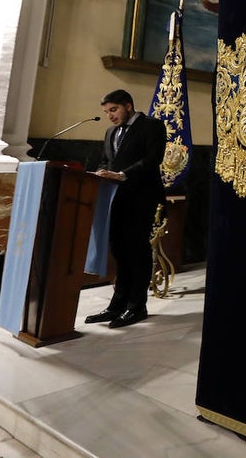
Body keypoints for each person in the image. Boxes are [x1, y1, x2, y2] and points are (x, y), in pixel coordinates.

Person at [86, 88, 167, 328]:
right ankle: (116, 305)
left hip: (141, 197)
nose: (110, 115)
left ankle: (136, 306)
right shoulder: (111, 131)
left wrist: (122, 175)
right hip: (114, 199)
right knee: (120, 251)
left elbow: (153, 160)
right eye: (106, 111)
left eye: (114, 109)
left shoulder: (152, 125)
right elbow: (106, 160)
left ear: (128, 106)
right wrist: (101, 173)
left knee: (137, 251)